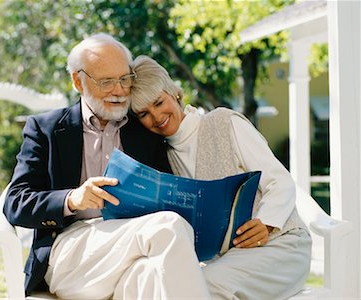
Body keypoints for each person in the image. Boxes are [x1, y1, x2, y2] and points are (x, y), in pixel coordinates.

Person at [3, 34, 211, 299]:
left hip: (137, 246)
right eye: (107, 82)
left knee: (147, 275)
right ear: (78, 81)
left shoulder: (144, 130)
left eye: (125, 79)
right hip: (70, 252)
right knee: (167, 227)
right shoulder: (46, 129)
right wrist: (72, 199)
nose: (120, 90)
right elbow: (16, 203)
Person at [130, 55, 312, 300]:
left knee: (202, 285)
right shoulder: (162, 158)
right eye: (144, 114)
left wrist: (266, 223)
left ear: (174, 92)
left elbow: (279, 180)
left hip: (282, 245)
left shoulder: (223, 122)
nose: (156, 116)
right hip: (229, 260)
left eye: (159, 102)